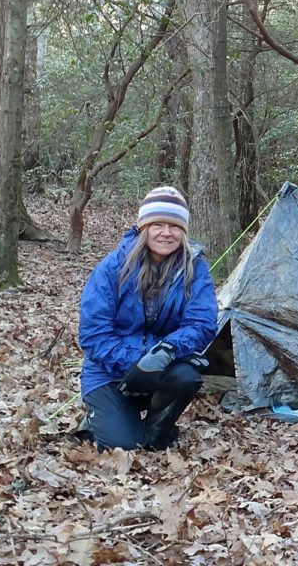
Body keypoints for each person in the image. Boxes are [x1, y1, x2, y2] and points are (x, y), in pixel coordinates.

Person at [78, 186, 218, 451]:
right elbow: (93, 333)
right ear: (144, 227)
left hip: (161, 366)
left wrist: (166, 350)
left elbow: (202, 323)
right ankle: (108, 417)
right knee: (121, 444)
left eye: (175, 226)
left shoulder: (194, 268)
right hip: (108, 372)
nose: (167, 233)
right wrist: (136, 365)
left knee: (187, 377)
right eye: (158, 225)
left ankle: (157, 430)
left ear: (183, 231)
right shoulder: (113, 267)